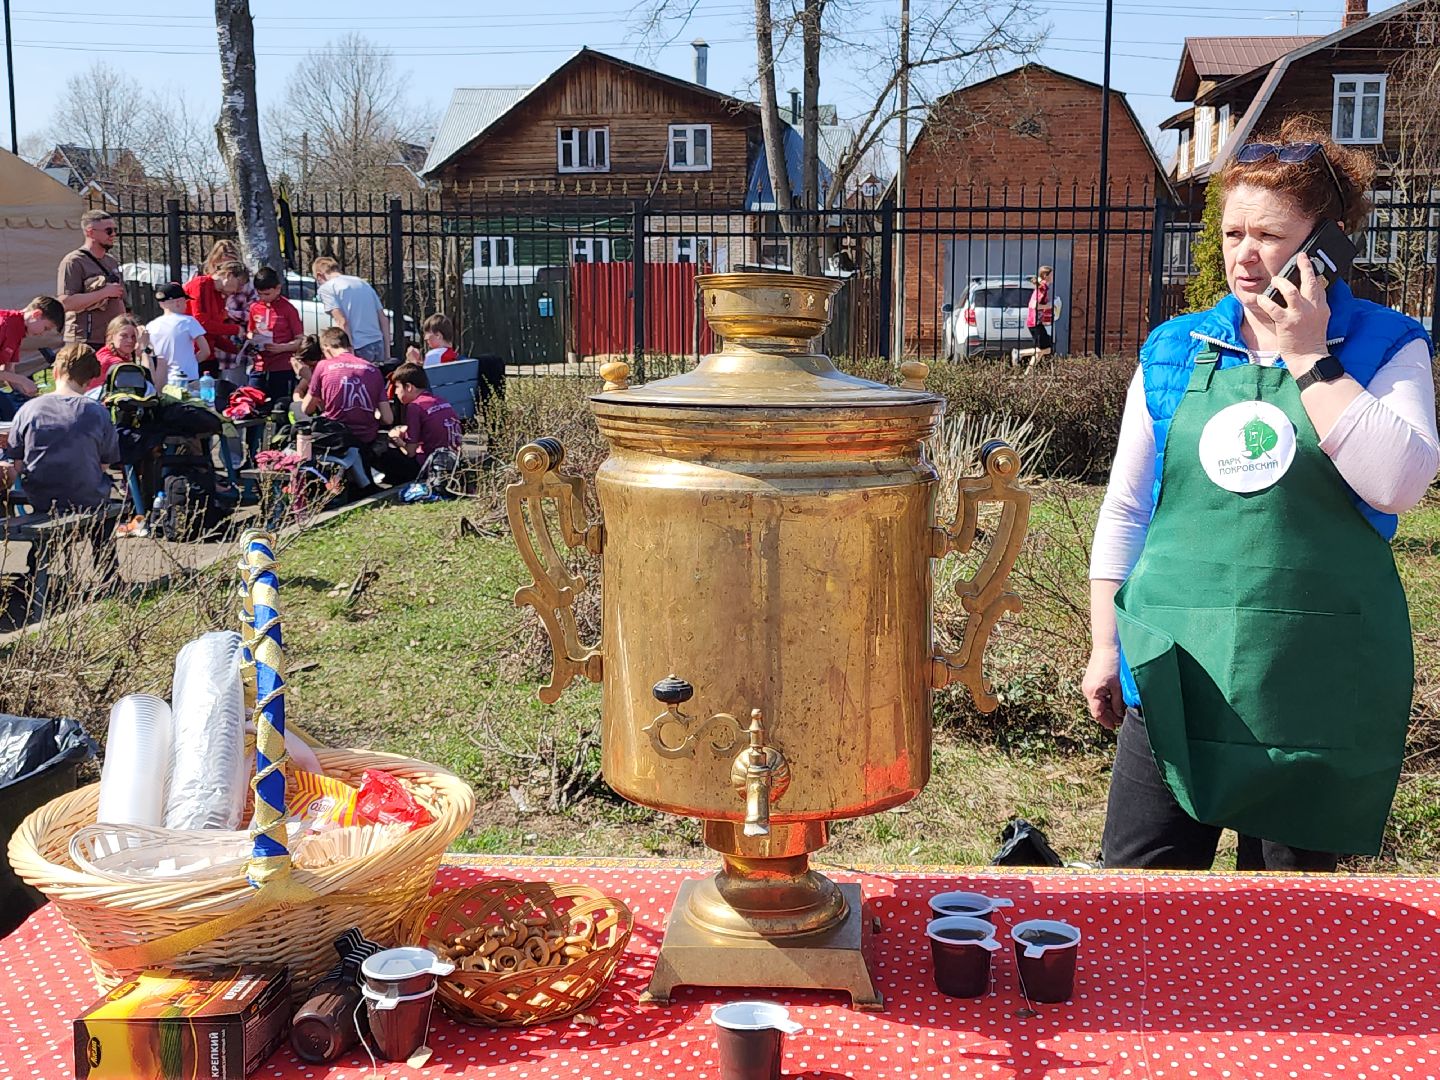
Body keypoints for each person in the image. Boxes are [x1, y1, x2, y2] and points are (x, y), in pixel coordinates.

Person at [1083, 121, 1440, 874]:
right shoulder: (1177, 349)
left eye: (1270, 236)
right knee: (1139, 901)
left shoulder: (1387, 345)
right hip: (1174, 679)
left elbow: (1400, 483)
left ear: (1327, 245)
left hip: (1309, 690)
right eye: (1232, 232)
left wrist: (1310, 356)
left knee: (1286, 922)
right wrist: (1107, 645)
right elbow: (1126, 509)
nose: (1245, 255)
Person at [1, 344, 119, 514]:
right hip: (87, 497)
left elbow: (18, 463)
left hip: (40, 497)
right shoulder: (98, 412)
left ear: (55, 372)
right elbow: (105, 462)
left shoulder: (28, 409)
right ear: (90, 379)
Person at [56, 209, 128, 351]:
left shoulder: (111, 262)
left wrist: (126, 327)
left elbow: (119, 299)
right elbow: (66, 303)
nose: (113, 234)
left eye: (115, 230)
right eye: (108, 231)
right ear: (90, 232)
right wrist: (104, 292)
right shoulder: (74, 261)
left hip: (111, 339)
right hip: (84, 340)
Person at [311, 257, 391, 364]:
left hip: (358, 346)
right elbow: (383, 319)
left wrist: (349, 353)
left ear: (319, 275)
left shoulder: (326, 288)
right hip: (377, 343)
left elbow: (342, 322)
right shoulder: (362, 283)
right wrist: (387, 355)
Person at [389, 363, 462, 472]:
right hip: (453, 459)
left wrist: (397, 440)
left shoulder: (414, 406)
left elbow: (410, 452)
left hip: (432, 464)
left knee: (387, 454)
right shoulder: (440, 400)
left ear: (408, 387)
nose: (395, 392)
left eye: (397, 387)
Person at [183, 261, 249, 376]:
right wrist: (236, 329)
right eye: (239, 284)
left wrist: (237, 349)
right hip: (193, 355)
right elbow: (202, 324)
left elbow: (213, 333)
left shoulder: (219, 295)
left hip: (208, 356)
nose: (237, 290)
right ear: (229, 275)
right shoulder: (201, 284)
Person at [0, 297, 62, 417]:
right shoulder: (4, 324)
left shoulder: (18, 331)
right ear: (36, 314)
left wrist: (25, 394)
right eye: (46, 328)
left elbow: (9, 371)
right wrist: (23, 380)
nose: (42, 334)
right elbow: (14, 376)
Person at [147, 283, 210, 388]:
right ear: (178, 302)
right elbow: (206, 351)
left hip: (161, 379)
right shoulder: (189, 321)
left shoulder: (151, 326)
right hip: (187, 377)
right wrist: (192, 362)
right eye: (185, 302)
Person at [202, 240, 258, 332]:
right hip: (209, 330)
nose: (225, 269)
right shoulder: (203, 281)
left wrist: (228, 314)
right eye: (220, 266)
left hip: (237, 330)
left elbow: (254, 313)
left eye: (230, 266)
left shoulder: (245, 284)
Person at [92, 315, 155, 391]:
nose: (130, 340)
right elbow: (148, 383)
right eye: (124, 335)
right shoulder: (110, 360)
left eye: (134, 336)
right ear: (111, 337)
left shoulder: (124, 356)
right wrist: (144, 349)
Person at [1012, 266, 1054, 366]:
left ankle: (1028, 373)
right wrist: (1049, 305)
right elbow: (1034, 305)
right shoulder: (1042, 288)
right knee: (1046, 349)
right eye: (1051, 275)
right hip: (1035, 322)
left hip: (1035, 322)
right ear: (1045, 276)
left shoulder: (1042, 287)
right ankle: (1019, 353)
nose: (1053, 277)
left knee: (1041, 350)